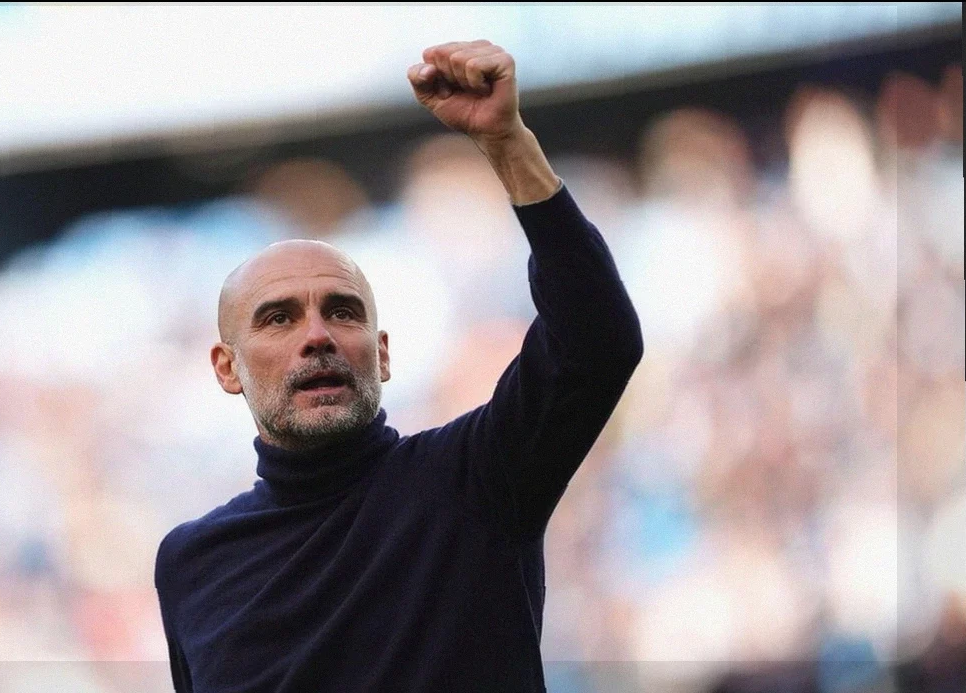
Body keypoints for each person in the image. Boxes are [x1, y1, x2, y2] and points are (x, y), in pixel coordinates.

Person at [154, 40, 643, 693]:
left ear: (381, 354)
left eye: (342, 312)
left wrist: (508, 143)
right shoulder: (190, 561)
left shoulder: (474, 479)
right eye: (278, 318)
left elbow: (597, 342)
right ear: (226, 367)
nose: (318, 336)